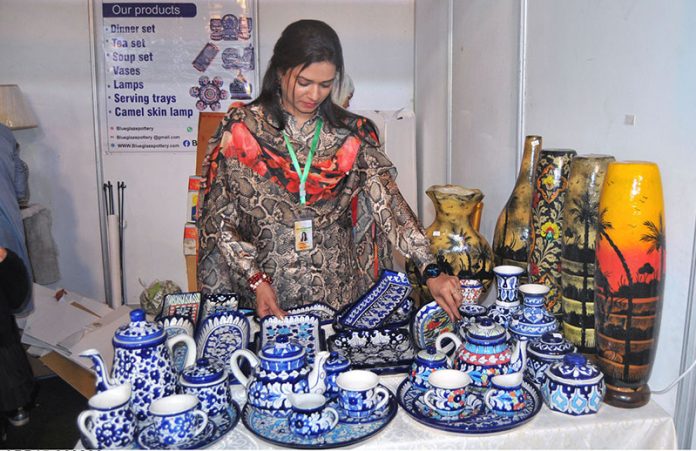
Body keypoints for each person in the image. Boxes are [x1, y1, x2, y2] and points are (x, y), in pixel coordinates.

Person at [197, 19, 463, 321]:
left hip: (338, 301)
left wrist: (431, 269)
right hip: (266, 300)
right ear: (281, 71)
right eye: (304, 82)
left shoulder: (350, 134)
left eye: (325, 85)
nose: (314, 95)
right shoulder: (242, 132)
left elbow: (389, 204)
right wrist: (255, 278)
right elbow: (219, 219)